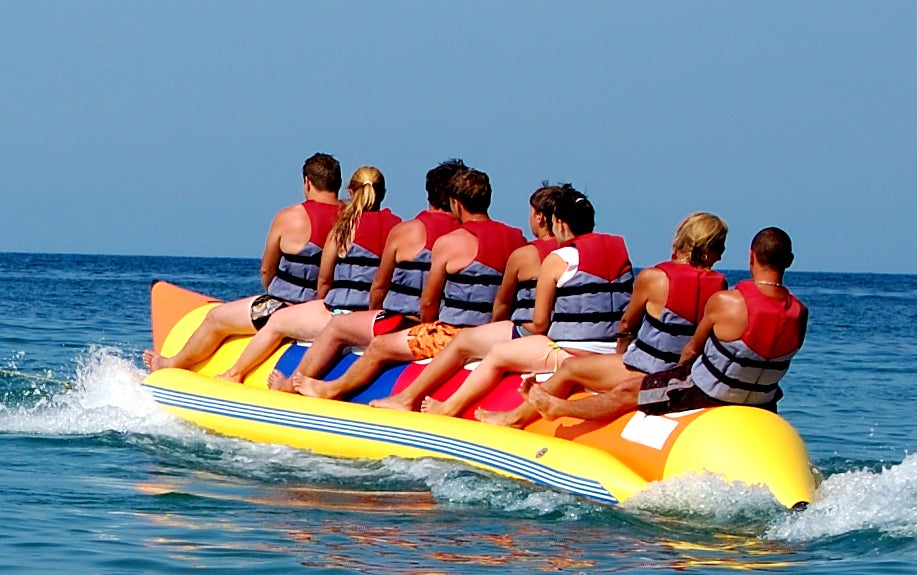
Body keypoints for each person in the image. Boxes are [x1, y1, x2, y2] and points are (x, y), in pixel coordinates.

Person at [396, 185, 636, 418]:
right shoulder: (621, 253)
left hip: (569, 351)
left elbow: (540, 324)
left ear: (560, 224)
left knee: (499, 353)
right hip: (610, 354)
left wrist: (516, 329)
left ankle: (448, 407)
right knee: (482, 340)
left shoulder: (559, 258)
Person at [282, 165, 516, 402]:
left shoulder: (439, 238)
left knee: (361, 337)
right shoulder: (516, 238)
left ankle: (322, 388)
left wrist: (421, 323)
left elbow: (419, 298)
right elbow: (504, 300)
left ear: (454, 201)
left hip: (434, 327)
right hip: (492, 331)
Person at [487, 212, 728, 430]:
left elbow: (626, 325)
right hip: (683, 373)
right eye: (721, 247)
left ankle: (516, 418)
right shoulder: (721, 287)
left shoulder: (654, 278)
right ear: (710, 249)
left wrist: (622, 353)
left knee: (571, 369)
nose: (723, 253)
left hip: (645, 368)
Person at [266, 160, 467, 391]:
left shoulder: (404, 231)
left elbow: (379, 287)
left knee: (337, 327)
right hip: (451, 325)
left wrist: (375, 313)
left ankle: (291, 384)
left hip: (408, 322)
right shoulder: (465, 237)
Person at [146, 153, 343, 372]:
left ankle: (168, 364)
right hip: (327, 311)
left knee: (215, 318)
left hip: (282, 306)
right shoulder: (352, 218)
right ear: (338, 183)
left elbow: (267, 269)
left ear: (307, 181)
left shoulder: (291, 217)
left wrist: (272, 294)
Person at [220, 165, 391, 386]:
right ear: (383, 193)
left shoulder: (343, 229)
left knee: (276, 321)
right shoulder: (399, 229)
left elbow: (324, 279)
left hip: (339, 314)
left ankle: (236, 373)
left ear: (350, 191)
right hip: (379, 317)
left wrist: (320, 302)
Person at [638, 226, 807, 413]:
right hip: (763, 402)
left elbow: (691, 352)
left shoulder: (726, 301)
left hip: (707, 395)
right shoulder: (800, 313)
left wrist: (669, 374)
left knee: (627, 391)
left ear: (751, 257)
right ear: (790, 261)